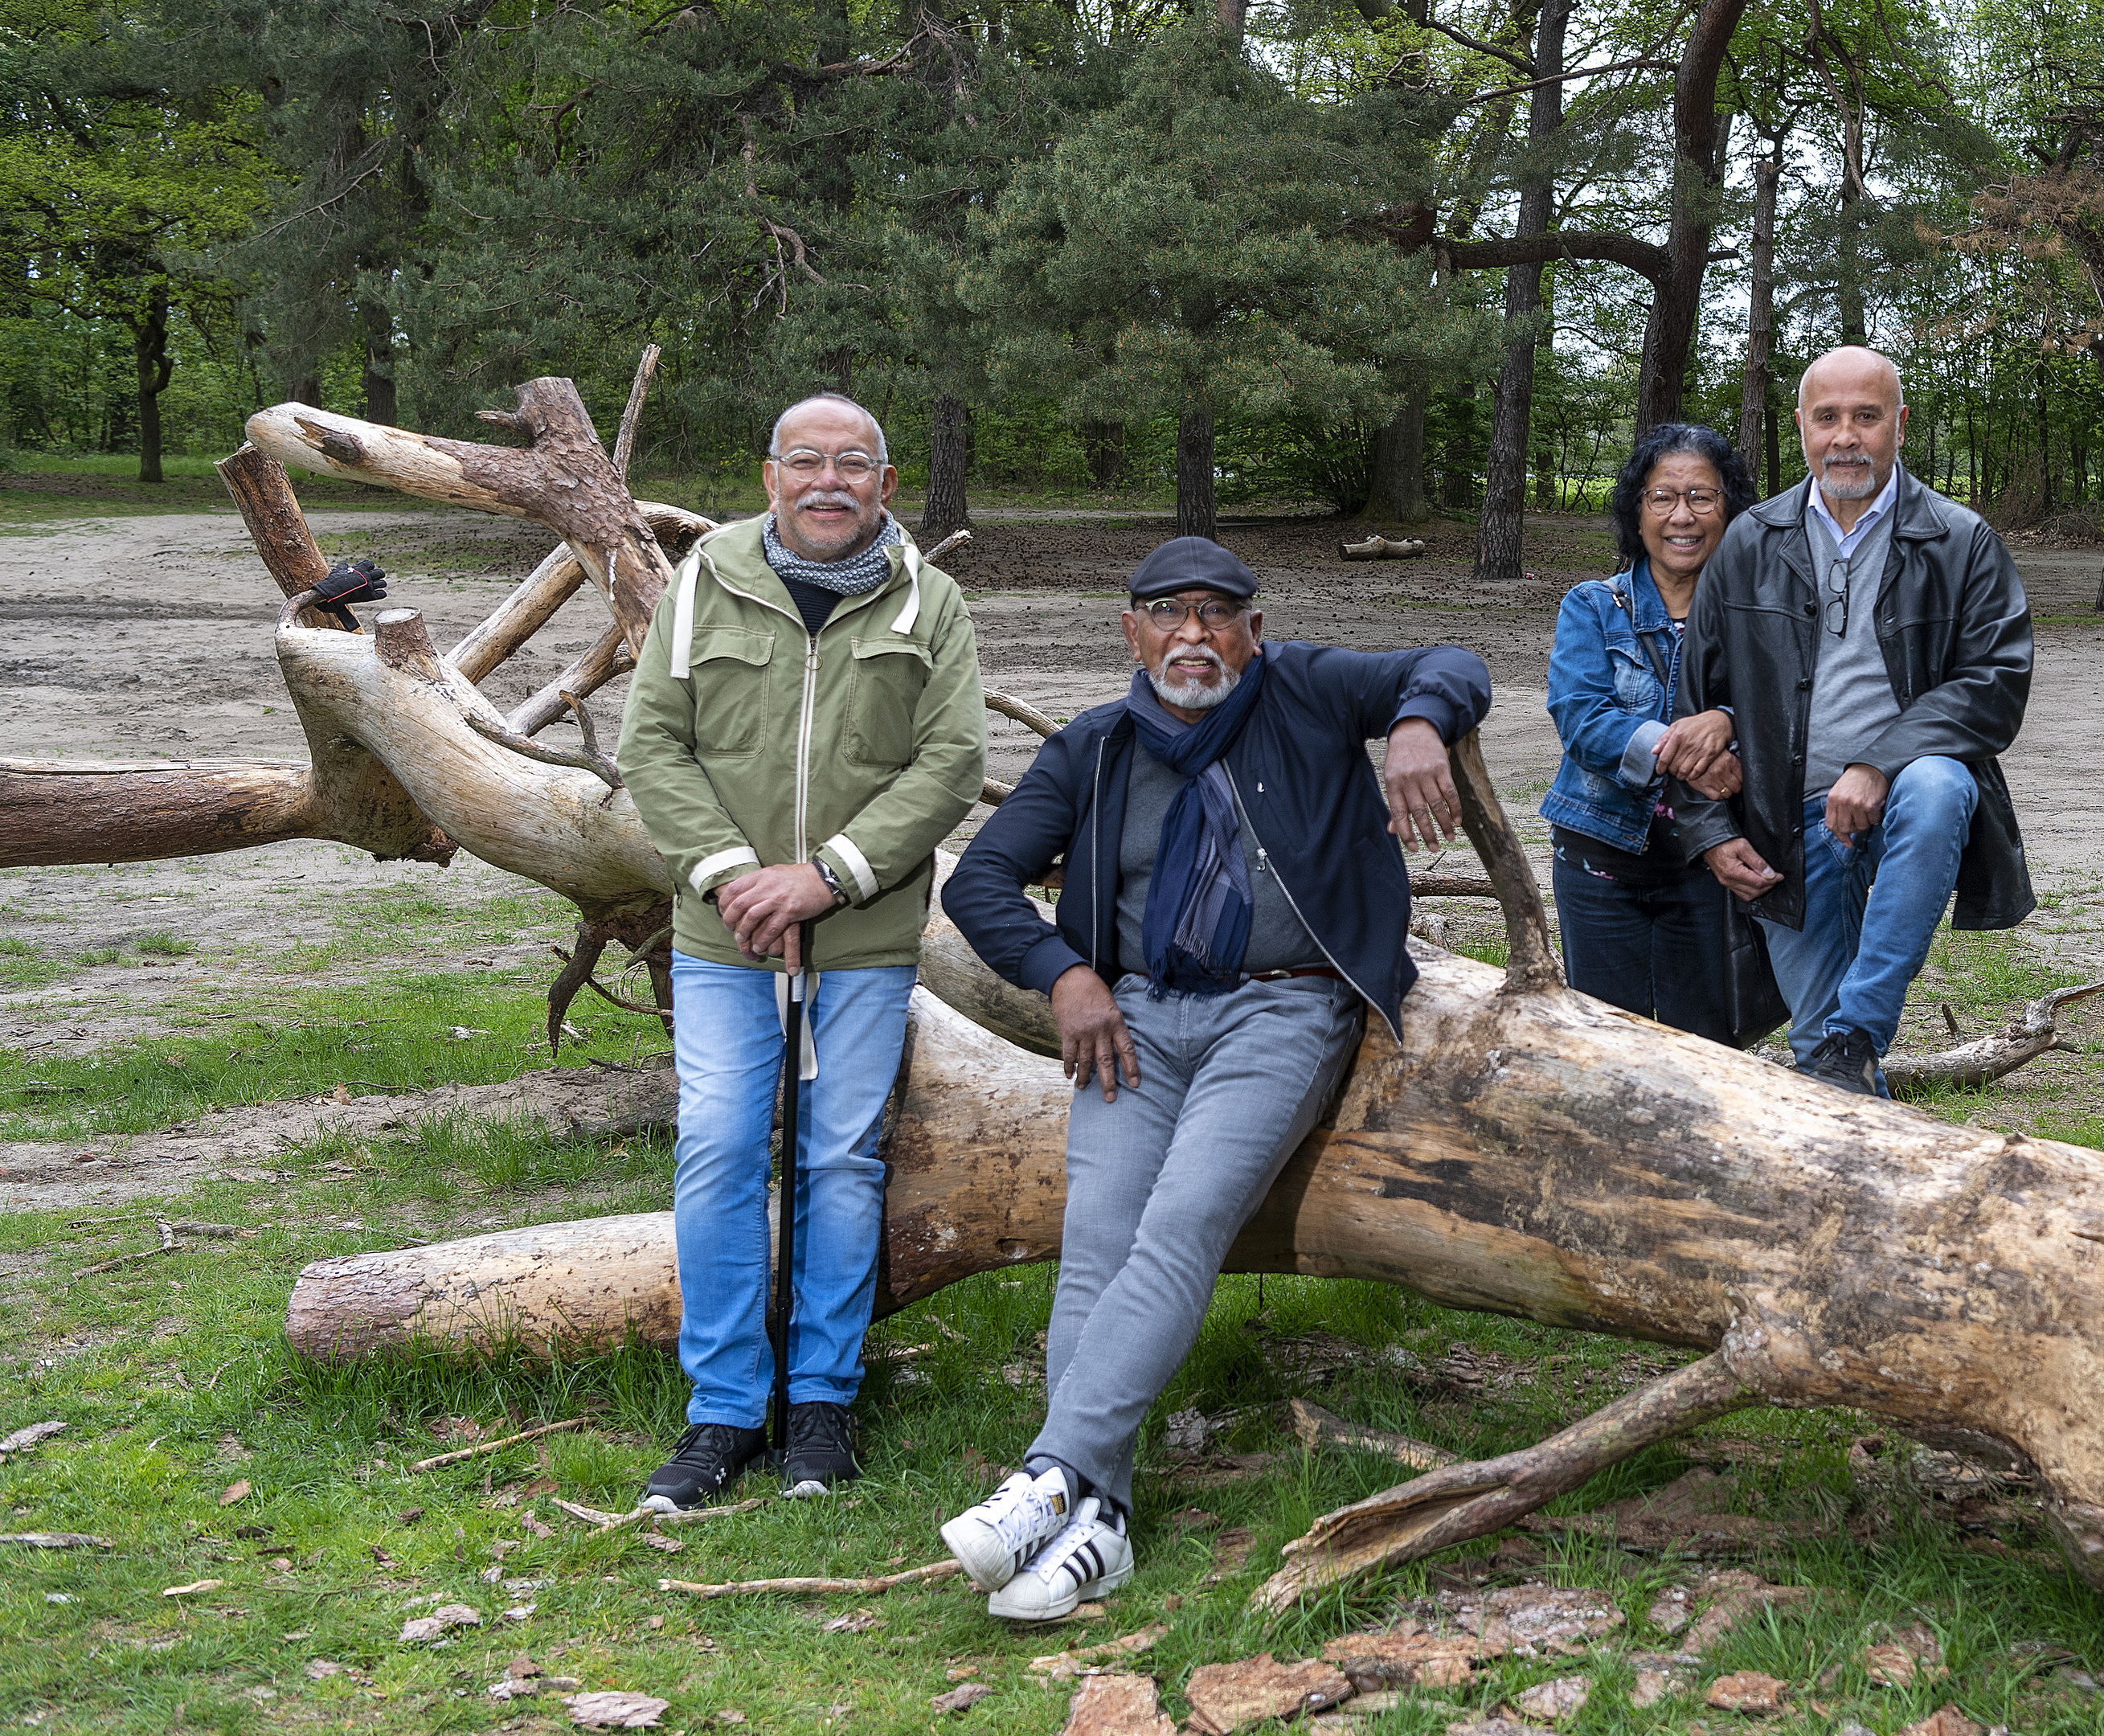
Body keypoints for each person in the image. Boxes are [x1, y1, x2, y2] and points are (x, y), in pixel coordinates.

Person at [935, 536, 1491, 1624]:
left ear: (1253, 627)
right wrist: (1065, 977)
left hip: (1283, 1009)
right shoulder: (1096, 748)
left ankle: (1047, 1478)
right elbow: (986, 880)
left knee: (1184, 1220)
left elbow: (1454, 659)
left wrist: (1420, 724)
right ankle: (1102, 1521)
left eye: (1216, 613)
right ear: (1130, 631)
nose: (1194, 636)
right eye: (1168, 614)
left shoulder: (1308, 693)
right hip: (1136, 1017)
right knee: (1097, 1241)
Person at [617, 391, 988, 1509]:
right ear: (771, 475)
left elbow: (950, 761)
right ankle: (724, 1410)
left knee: (841, 1159)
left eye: (856, 464)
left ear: (884, 483)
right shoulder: (699, 586)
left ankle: (821, 1400)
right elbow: (655, 745)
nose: (831, 481)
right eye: (807, 461)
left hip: (862, 939)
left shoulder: (934, 604)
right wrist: (737, 876)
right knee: (722, 1148)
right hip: (725, 936)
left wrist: (825, 875)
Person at [1672, 346, 2036, 1095]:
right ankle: (1850, 1080)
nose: (1847, 436)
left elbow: (1996, 685)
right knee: (1825, 1067)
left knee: (1938, 782)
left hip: (1905, 810)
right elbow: (1693, 706)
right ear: (1801, 426)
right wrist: (1712, 833)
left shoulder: (1960, 540)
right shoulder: (1749, 541)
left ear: (1899, 425)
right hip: (1785, 821)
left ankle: (1860, 1023)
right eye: (1828, 417)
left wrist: (1876, 765)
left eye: (1866, 417)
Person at [1541, 423, 1761, 1042]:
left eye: (1702, 497)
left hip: (1709, 863)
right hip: (1599, 858)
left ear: (1729, 511)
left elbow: (1790, 713)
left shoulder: (1761, 614)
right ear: (1636, 513)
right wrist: (1692, 754)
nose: (1681, 516)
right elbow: (1582, 719)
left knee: (1709, 1048)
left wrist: (1730, 723)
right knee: (1608, 1047)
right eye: (1662, 497)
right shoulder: (1591, 605)